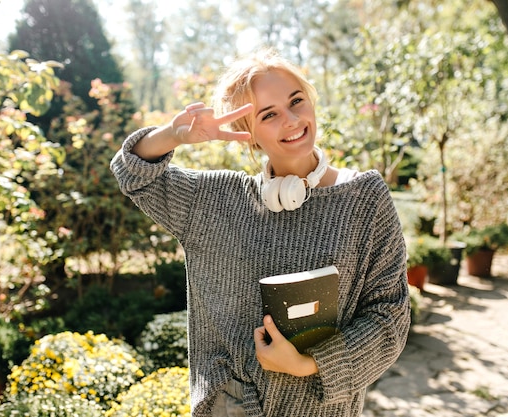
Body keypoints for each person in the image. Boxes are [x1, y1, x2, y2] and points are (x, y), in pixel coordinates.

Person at [110, 49, 410, 417]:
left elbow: (389, 317)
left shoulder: (365, 198)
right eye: (269, 115)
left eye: (296, 101)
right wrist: (174, 135)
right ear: (247, 134)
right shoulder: (214, 201)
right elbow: (132, 173)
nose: (291, 119)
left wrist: (307, 364)